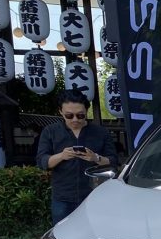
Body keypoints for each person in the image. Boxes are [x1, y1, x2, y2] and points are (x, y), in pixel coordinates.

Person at [36, 90, 118, 224]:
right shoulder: (51, 131)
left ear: (86, 111)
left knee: (95, 230)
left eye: (80, 115)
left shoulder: (100, 132)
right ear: (60, 111)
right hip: (63, 196)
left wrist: (96, 158)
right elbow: (42, 162)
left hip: (94, 195)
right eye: (69, 115)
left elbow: (113, 162)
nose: (75, 119)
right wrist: (62, 156)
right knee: (62, 231)